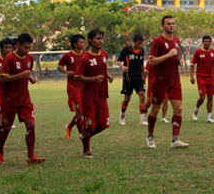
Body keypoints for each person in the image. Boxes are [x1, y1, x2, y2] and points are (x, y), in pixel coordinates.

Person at [0, 33, 46, 164]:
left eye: (29, 48)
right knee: (6, 128)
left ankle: (31, 156)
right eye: (25, 47)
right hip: (9, 99)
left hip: (24, 98)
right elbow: (1, 77)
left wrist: (30, 78)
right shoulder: (9, 58)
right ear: (17, 45)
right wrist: (20, 76)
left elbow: (25, 73)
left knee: (31, 125)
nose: (28, 51)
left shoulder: (29, 58)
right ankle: (0, 152)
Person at [146, 15, 189, 149]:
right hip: (159, 81)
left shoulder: (176, 40)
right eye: (168, 24)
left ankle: (175, 140)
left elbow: (174, 57)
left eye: (173, 23)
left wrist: (178, 61)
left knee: (179, 109)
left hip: (174, 80)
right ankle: (150, 136)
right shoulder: (158, 41)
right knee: (155, 109)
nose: (171, 26)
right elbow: (151, 61)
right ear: (163, 26)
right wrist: (168, 55)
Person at [75, 29, 113, 158]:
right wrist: (93, 79)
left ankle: (84, 137)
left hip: (102, 94)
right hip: (89, 96)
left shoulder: (104, 54)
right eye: (97, 38)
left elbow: (101, 68)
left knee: (103, 125)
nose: (100, 41)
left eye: (101, 38)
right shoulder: (85, 58)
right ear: (90, 40)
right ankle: (86, 150)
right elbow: (77, 76)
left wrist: (107, 75)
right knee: (89, 124)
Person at [57, 34, 85, 140]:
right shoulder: (68, 56)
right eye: (81, 42)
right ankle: (82, 134)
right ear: (75, 44)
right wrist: (66, 72)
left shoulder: (86, 55)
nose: (83, 44)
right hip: (73, 87)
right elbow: (59, 66)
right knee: (79, 112)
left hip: (84, 87)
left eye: (83, 42)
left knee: (82, 112)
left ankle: (69, 127)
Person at [117, 34, 147, 126]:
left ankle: (142, 119)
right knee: (127, 98)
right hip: (128, 78)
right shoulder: (127, 50)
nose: (140, 45)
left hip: (139, 78)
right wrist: (122, 67)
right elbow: (118, 61)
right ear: (134, 42)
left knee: (142, 95)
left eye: (141, 44)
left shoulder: (142, 51)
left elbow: (142, 64)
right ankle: (122, 115)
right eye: (138, 43)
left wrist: (144, 76)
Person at [190, 35, 214, 123]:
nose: (207, 43)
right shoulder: (198, 52)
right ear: (202, 42)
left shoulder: (213, 52)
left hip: (211, 78)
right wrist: (191, 76)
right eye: (205, 41)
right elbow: (192, 64)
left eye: (208, 41)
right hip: (201, 77)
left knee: (210, 97)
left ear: (210, 42)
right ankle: (196, 109)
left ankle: (209, 117)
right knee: (202, 97)